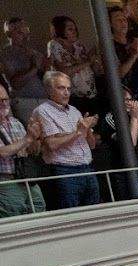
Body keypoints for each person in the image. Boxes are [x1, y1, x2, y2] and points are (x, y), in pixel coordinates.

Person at [34, 71, 99, 210]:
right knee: (70, 217)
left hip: (87, 168)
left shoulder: (75, 110)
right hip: (65, 171)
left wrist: (87, 130)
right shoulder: (43, 111)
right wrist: (78, 131)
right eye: (61, 88)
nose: (66, 92)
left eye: (69, 88)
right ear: (49, 90)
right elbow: (51, 144)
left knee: (94, 215)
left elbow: (92, 145)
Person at [0, 82, 45, 218]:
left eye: (5, 99)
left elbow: (32, 151)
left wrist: (37, 137)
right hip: (6, 182)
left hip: (27, 178)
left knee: (40, 211)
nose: (3, 103)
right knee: (13, 218)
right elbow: (2, 152)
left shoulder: (16, 122)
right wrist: (27, 139)